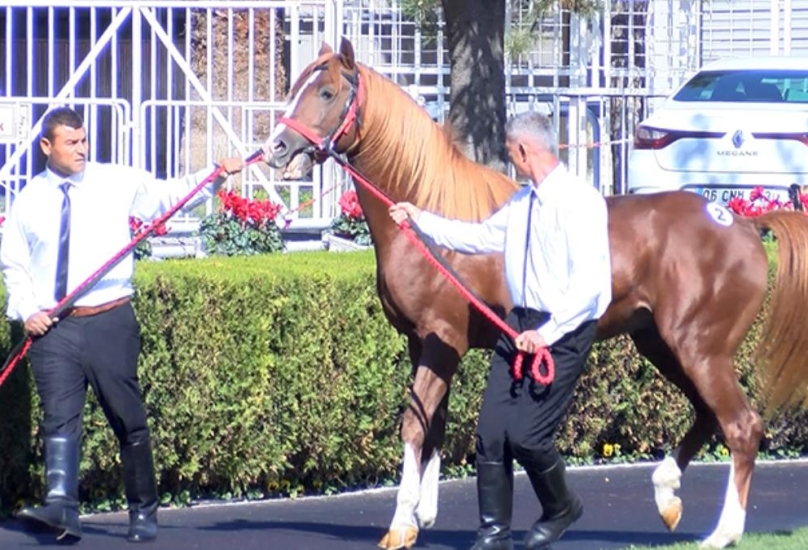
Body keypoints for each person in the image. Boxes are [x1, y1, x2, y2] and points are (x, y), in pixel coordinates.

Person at [0, 106, 244, 544]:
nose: (81, 149)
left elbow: (171, 196)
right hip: (53, 330)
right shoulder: (28, 199)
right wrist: (26, 309)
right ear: (46, 146)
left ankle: (143, 509)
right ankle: (62, 509)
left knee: (127, 419)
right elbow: (13, 264)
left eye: (84, 140)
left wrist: (215, 176)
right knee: (59, 421)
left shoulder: (116, 181)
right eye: (71, 142)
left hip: (110, 319)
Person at [389, 111, 612, 550]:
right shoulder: (521, 204)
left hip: (563, 331)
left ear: (525, 151)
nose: (510, 162)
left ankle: (562, 506)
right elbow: (477, 237)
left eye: (511, 153)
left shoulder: (582, 202)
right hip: (518, 327)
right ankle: (493, 535)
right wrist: (419, 220)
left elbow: (589, 289)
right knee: (490, 434)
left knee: (528, 439)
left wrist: (546, 335)